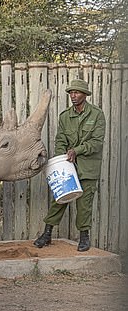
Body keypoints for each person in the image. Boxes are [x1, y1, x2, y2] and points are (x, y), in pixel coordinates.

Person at [34, 79, 106, 252]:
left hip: (88, 168)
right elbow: (60, 139)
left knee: (84, 204)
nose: (73, 96)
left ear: (85, 95)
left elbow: (97, 143)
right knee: (59, 199)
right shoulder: (65, 116)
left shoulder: (96, 114)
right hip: (68, 167)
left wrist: (77, 150)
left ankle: (84, 238)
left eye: (77, 92)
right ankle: (47, 234)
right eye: (71, 93)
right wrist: (61, 158)